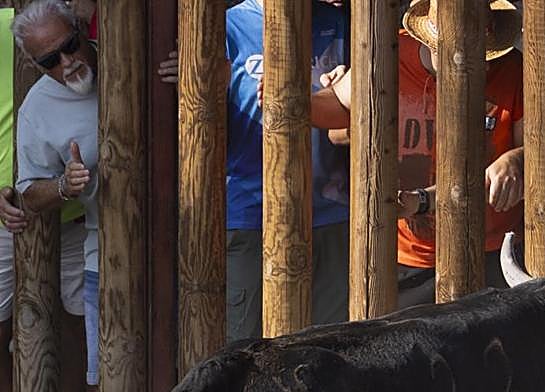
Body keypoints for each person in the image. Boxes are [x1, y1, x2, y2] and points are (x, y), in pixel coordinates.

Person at [309, 0, 525, 308]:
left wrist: (515, 159)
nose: (484, 65)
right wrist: (294, 101)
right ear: (430, 43)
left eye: (488, 53)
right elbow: (339, 108)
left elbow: (534, 145)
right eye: (470, 54)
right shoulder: (391, 53)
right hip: (404, 255)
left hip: (490, 249)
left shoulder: (513, 68)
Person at [160, 0, 352, 341]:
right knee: (247, 346)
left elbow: (356, 117)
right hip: (252, 216)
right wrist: (203, 88)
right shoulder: (225, 28)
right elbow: (202, 136)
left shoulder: (336, 23)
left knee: (328, 344)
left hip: (329, 213)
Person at [8, 0, 102, 392]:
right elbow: (29, 190)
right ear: (34, 64)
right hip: (103, 249)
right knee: (104, 372)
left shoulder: (129, 62)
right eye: (51, 60)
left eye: (71, 46)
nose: (68, 62)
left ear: (81, 29)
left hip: (181, 239)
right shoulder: (39, 108)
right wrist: (64, 186)